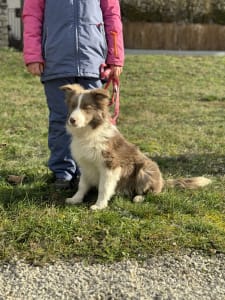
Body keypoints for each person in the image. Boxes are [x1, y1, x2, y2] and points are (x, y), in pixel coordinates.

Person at [22, 0, 125, 189]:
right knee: (61, 120)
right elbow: (31, 17)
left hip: (92, 62)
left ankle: (96, 174)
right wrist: (33, 54)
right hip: (56, 61)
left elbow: (112, 16)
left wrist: (115, 57)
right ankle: (63, 173)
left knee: (97, 123)